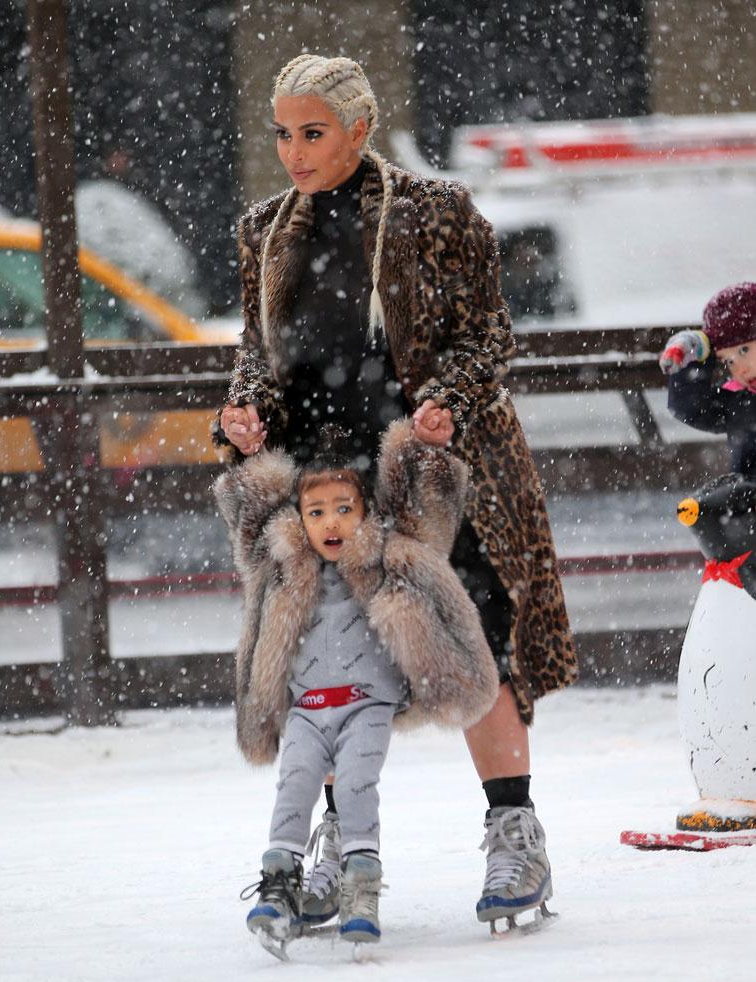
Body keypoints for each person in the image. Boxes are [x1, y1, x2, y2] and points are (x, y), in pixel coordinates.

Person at [211, 53, 578, 928]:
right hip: (323, 482)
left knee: (476, 636)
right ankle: (343, 844)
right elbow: (259, 353)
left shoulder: (434, 211)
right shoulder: (265, 227)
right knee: (327, 655)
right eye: (283, 135)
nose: (293, 153)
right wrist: (247, 410)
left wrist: (446, 401)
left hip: (431, 473)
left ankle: (514, 833)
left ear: (359, 128)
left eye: (312, 133)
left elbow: (488, 331)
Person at [214, 420, 499, 950]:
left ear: (366, 512)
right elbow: (250, 516)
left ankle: (361, 884)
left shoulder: (387, 556)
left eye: (345, 508)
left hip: (367, 705)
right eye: (317, 511)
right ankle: (279, 884)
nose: (331, 523)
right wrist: (249, 455)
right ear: (298, 519)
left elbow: (426, 518)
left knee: (354, 785)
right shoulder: (281, 563)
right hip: (306, 707)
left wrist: (425, 449)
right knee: (295, 782)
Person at [660, 282, 756, 478]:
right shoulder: (739, 400)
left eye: (744, 350)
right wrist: (694, 355)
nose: (739, 368)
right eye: (728, 361)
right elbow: (691, 408)